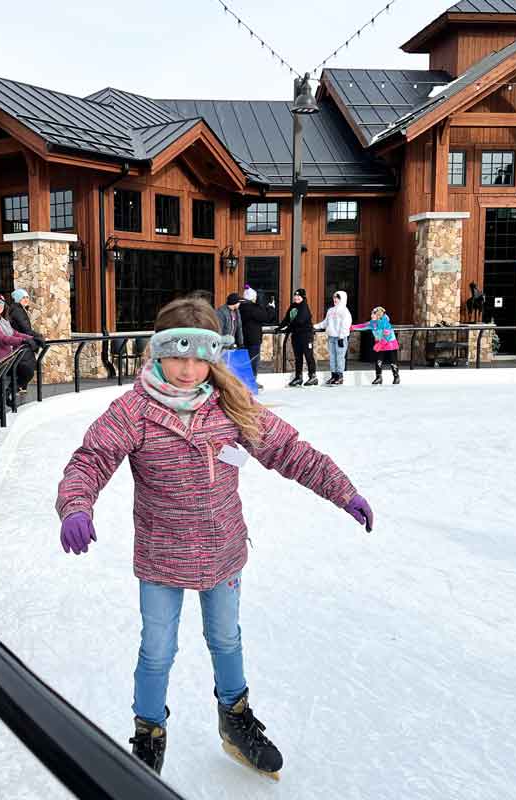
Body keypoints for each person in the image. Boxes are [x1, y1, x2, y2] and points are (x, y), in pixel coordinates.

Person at [55, 296, 373, 778]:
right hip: (163, 554)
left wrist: (341, 491)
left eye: (200, 358)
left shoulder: (230, 404)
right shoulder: (133, 410)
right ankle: (149, 734)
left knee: (226, 639)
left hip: (223, 550)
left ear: (213, 357)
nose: (188, 370)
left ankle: (235, 719)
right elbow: (91, 460)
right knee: (157, 650)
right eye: (177, 357)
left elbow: (289, 451)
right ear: (156, 353)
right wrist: (76, 505)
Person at [276, 288, 317, 387]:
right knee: (298, 357)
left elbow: (299, 321)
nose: (296, 298)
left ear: (303, 297)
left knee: (308, 356)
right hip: (296, 336)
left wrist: (288, 328)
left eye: (299, 296)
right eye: (295, 296)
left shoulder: (304, 307)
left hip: (306, 335)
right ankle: (298, 377)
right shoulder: (293, 306)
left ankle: (313, 376)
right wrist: (280, 327)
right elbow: (287, 319)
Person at [238, 287, 276, 388]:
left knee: (244, 360)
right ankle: (251, 381)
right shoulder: (253, 308)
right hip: (253, 339)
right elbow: (267, 317)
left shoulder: (240, 307)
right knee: (253, 360)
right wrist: (271, 307)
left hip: (242, 338)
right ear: (252, 298)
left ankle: (243, 381)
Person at [352, 306, 400, 385]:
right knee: (378, 360)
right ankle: (378, 377)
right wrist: (352, 327)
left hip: (390, 344)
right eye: (371, 314)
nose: (371, 315)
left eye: (373, 314)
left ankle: (396, 377)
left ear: (378, 315)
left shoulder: (385, 323)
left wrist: (380, 345)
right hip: (380, 344)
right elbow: (363, 326)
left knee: (393, 361)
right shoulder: (372, 323)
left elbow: (387, 337)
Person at [315, 290, 353, 385]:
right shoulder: (330, 311)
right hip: (331, 336)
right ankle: (333, 375)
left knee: (340, 357)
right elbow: (325, 323)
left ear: (343, 299)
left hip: (340, 338)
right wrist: (315, 326)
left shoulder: (345, 311)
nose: (335, 299)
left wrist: (341, 336)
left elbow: (346, 324)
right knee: (332, 357)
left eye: (338, 298)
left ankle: (340, 376)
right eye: (334, 297)